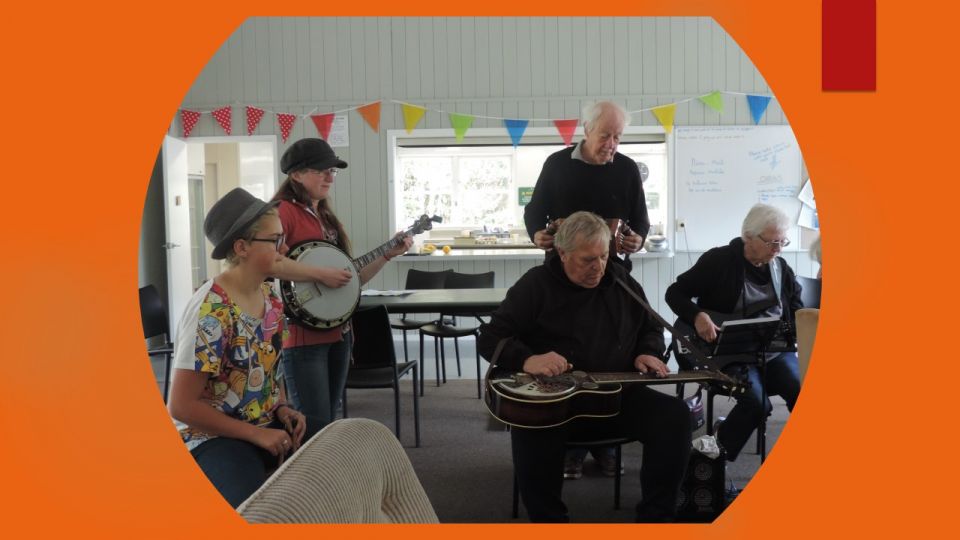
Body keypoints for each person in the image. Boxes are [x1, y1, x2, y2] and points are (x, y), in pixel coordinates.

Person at [478, 211, 692, 523]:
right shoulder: (535, 286)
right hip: (554, 404)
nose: (598, 267)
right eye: (587, 259)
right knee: (531, 427)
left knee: (675, 416)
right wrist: (527, 359)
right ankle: (549, 522)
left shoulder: (620, 281)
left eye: (604, 256)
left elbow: (650, 328)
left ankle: (656, 518)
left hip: (616, 397)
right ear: (562, 253)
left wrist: (646, 352)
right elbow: (490, 337)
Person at [522, 101, 652, 477]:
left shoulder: (627, 169)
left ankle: (607, 445)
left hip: (612, 277)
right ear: (586, 131)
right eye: (605, 135)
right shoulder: (557, 164)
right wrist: (537, 234)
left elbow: (641, 221)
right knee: (569, 357)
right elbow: (534, 212)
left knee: (612, 357)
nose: (612, 143)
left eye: (617, 136)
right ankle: (572, 447)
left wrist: (637, 240)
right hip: (562, 277)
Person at [167, 187, 316, 508]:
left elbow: (268, 373)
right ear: (242, 247)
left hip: (263, 426)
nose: (285, 247)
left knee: (319, 491)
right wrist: (255, 435)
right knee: (254, 509)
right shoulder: (212, 310)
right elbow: (180, 407)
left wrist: (282, 408)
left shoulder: (271, 298)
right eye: (275, 240)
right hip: (212, 435)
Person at [272, 138, 411, 431]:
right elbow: (268, 263)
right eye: (321, 170)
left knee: (329, 419)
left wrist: (387, 254)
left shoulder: (325, 217)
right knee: (313, 423)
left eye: (333, 171)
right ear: (296, 174)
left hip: (339, 334)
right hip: (302, 337)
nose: (329, 176)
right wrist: (319, 274)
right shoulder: (281, 212)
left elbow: (352, 279)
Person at [665, 203, 803, 469]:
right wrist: (697, 316)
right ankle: (709, 464)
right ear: (748, 237)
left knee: (801, 391)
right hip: (727, 351)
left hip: (770, 351)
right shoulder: (719, 260)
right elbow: (675, 293)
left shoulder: (780, 267)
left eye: (782, 241)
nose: (778, 249)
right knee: (756, 404)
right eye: (771, 242)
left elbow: (796, 307)